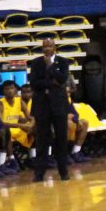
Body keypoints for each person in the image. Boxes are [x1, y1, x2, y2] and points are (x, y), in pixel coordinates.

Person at [28, 36, 72, 181]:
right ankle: (39, 173)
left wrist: (51, 67)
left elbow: (62, 79)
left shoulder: (63, 62)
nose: (47, 48)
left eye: (50, 46)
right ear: (42, 48)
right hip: (42, 106)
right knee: (41, 140)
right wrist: (52, 83)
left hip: (59, 106)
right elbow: (34, 84)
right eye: (45, 46)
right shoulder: (35, 63)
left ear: (55, 48)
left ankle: (63, 171)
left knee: (61, 139)